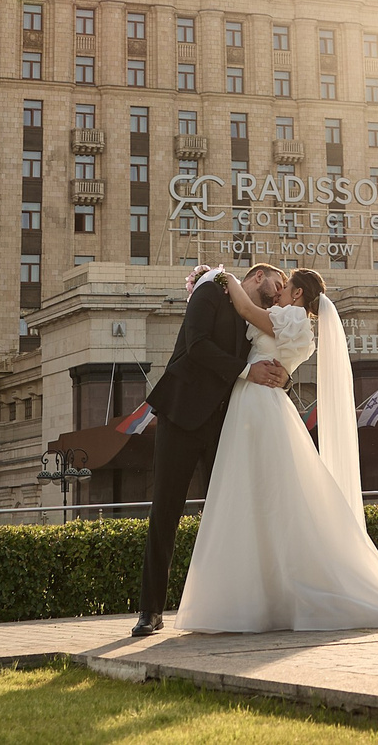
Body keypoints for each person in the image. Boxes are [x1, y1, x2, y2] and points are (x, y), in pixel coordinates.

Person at [170, 266, 378, 633]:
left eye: (285, 287)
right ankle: (266, 593)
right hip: (259, 404)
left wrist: (221, 276)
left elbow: (248, 313)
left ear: (297, 295)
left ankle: (263, 596)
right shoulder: (302, 330)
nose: (278, 292)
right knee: (269, 498)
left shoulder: (290, 317)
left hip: (258, 406)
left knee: (258, 493)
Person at [132, 263, 289, 637]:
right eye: (276, 281)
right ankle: (150, 611)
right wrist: (246, 372)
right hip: (182, 416)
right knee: (165, 511)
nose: (280, 289)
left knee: (230, 514)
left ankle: (231, 607)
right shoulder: (209, 290)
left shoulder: (259, 319)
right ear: (255, 276)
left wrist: (284, 375)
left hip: (226, 424)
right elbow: (197, 344)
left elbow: (270, 357)